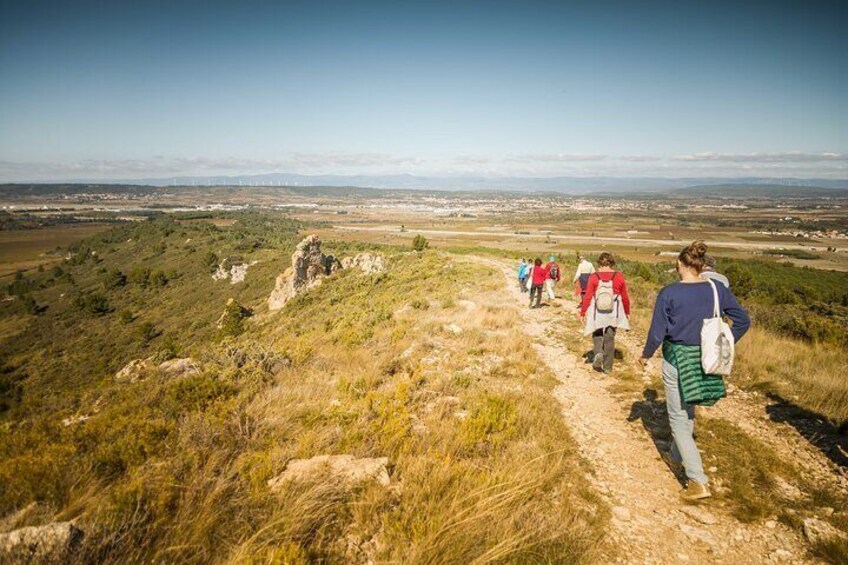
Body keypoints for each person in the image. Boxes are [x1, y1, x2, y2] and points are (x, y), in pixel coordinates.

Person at [638, 241, 750, 502]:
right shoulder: (717, 289)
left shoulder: (669, 293)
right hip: (707, 358)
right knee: (688, 410)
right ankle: (677, 456)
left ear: (679, 264)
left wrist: (644, 356)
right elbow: (743, 320)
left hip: (677, 358)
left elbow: (657, 333)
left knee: (677, 416)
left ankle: (697, 481)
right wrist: (724, 342)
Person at [580, 252, 630, 374]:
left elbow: (587, 296)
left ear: (599, 263)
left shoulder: (594, 277)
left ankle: (598, 353)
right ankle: (607, 367)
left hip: (598, 311)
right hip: (613, 312)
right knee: (610, 338)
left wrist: (583, 311)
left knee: (597, 333)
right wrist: (627, 312)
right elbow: (625, 297)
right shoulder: (619, 276)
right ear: (611, 263)